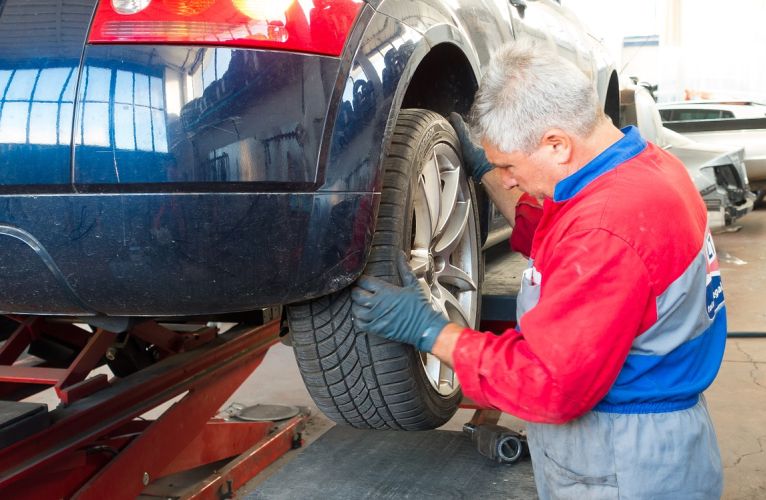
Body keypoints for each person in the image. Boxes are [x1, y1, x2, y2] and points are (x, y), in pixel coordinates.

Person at [351, 40, 726, 500]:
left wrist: (432, 332)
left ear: (556, 143)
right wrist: (487, 168)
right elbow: (559, 238)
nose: (506, 179)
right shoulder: (645, 167)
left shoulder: (608, 229)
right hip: (643, 440)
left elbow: (548, 383)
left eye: (509, 165)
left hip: (625, 461)